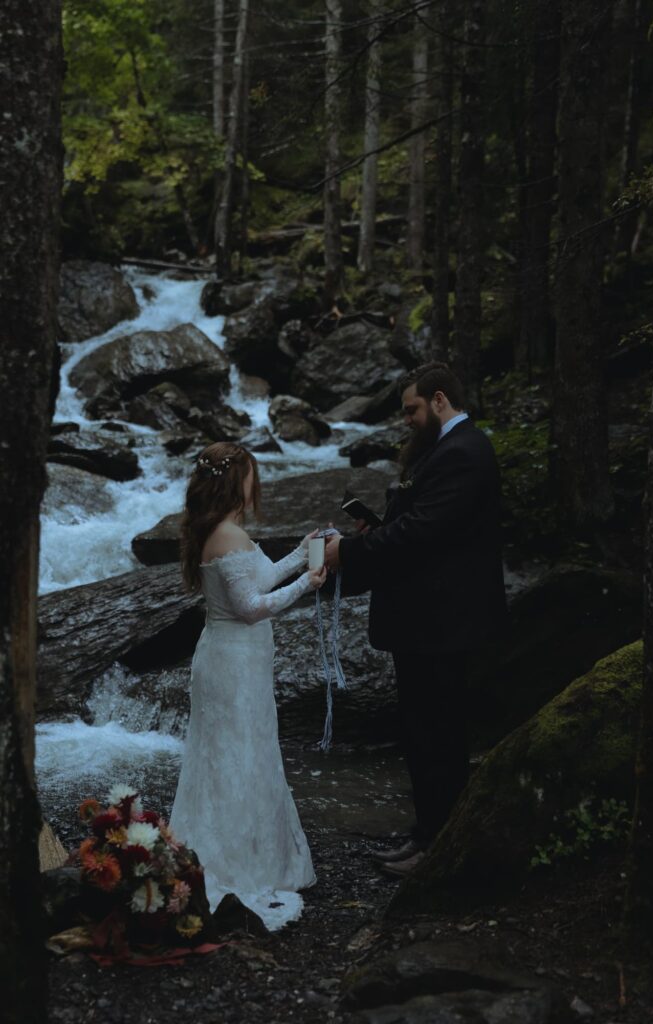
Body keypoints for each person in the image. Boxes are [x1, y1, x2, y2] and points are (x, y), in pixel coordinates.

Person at [325, 361, 507, 876]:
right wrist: (376, 527)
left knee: (439, 735)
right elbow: (424, 528)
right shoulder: (447, 451)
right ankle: (426, 831)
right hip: (429, 620)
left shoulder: (465, 453)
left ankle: (438, 845)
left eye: (411, 409)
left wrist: (350, 553)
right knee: (423, 730)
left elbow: (424, 533)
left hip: (443, 623)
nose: (406, 419)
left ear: (440, 400)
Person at [169, 441, 327, 929]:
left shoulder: (226, 533)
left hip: (239, 661)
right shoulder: (227, 536)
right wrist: (309, 584)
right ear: (235, 479)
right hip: (231, 664)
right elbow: (251, 607)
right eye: (251, 475)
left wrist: (302, 554)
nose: (256, 484)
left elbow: (259, 579)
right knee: (233, 757)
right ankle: (235, 863)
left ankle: (255, 852)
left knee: (248, 753)